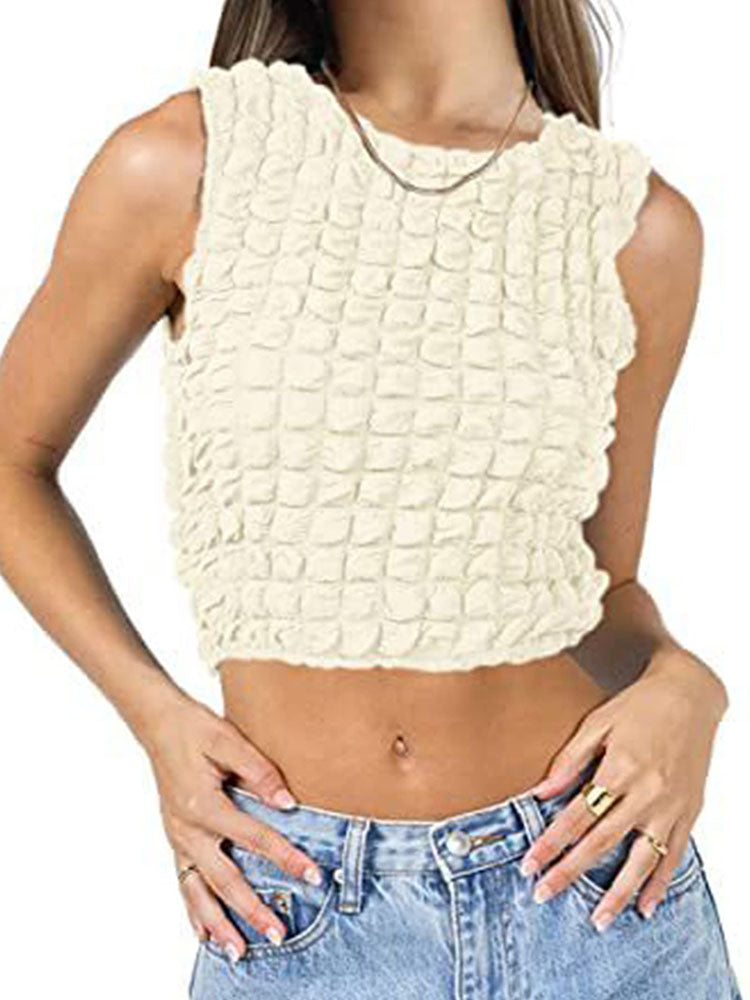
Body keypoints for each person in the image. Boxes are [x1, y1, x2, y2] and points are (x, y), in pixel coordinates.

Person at [0, 1, 742, 998]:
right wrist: (156, 718)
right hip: (292, 903)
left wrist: (687, 684)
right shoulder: (188, 163)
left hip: (597, 899)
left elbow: (599, 591)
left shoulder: (638, 227)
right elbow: (13, 459)